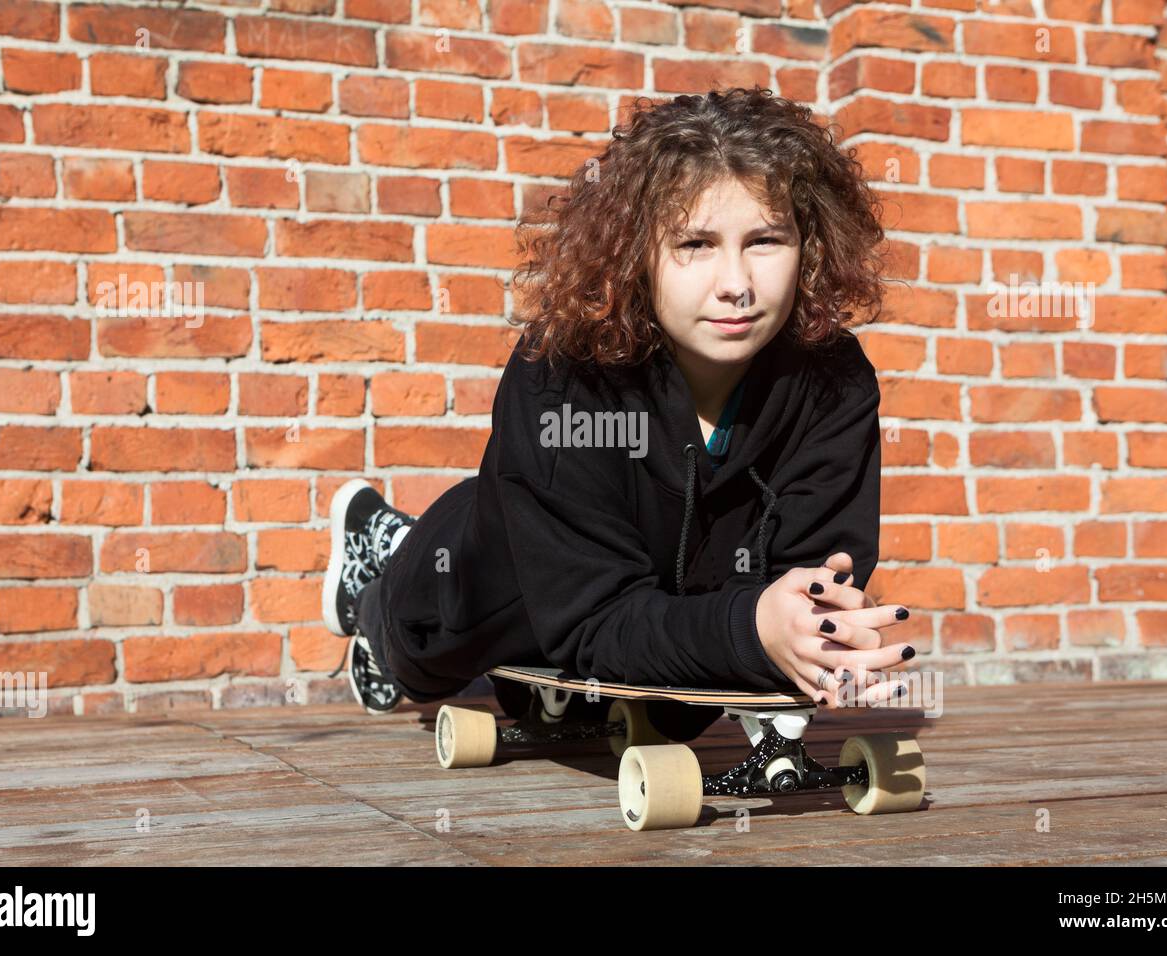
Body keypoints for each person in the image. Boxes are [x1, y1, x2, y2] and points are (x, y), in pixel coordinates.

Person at [321, 87, 917, 736]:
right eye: (695, 243)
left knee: (626, 716)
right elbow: (597, 621)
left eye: (766, 240)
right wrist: (750, 629)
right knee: (419, 653)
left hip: (637, 614)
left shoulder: (833, 384)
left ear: (811, 246)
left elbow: (805, 580)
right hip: (491, 574)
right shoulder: (563, 377)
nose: (736, 283)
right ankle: (382, 563)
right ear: (637, 253)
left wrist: (810, 626)